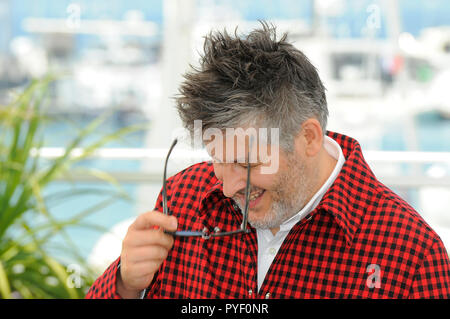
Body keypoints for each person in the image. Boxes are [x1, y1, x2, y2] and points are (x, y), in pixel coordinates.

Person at [86, 22, 450, 299]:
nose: (227, 188)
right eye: (217, 160)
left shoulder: (414, 256)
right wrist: (126, 284)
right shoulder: (181, 197)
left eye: (246, 163)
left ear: (307, 137)